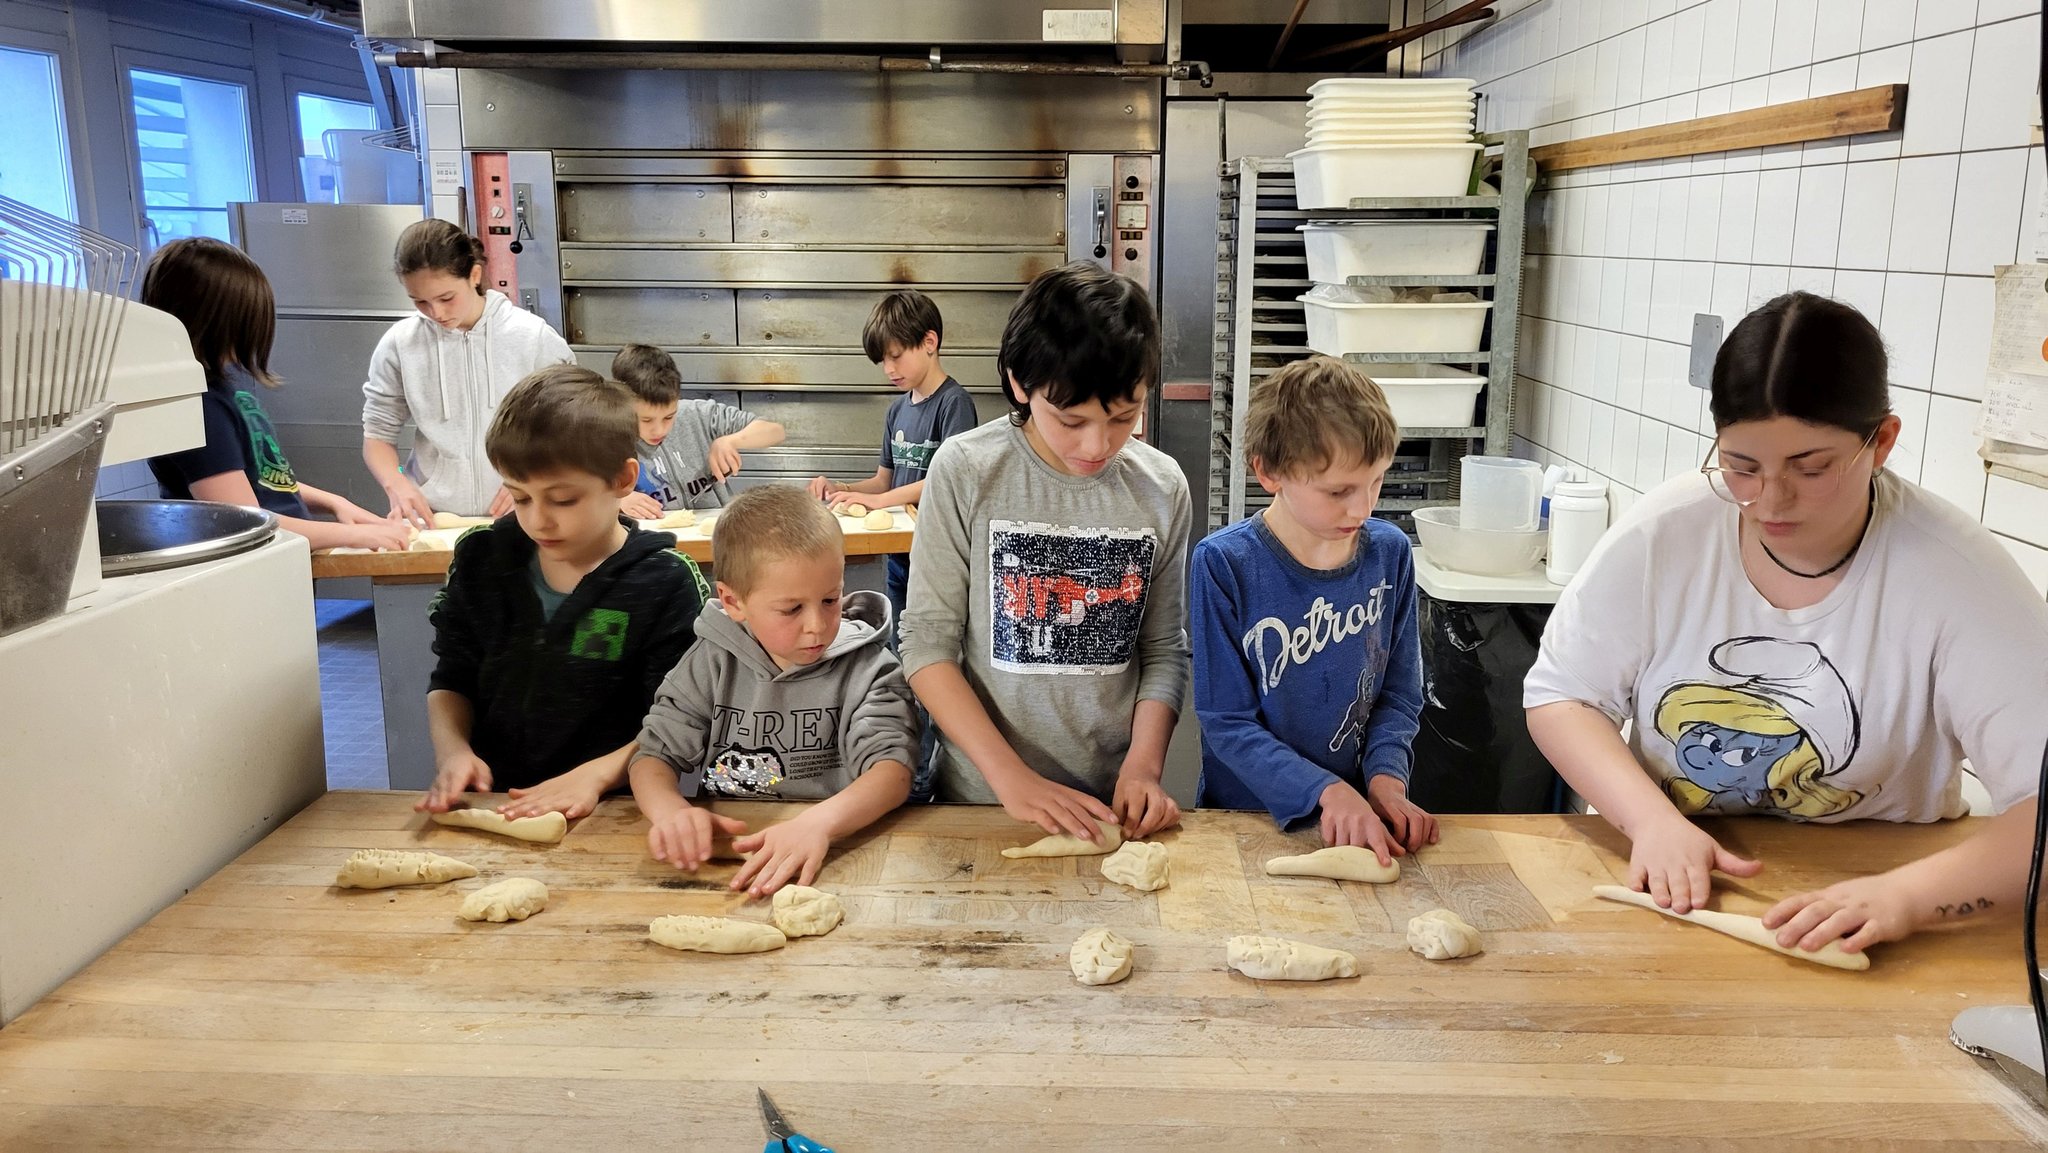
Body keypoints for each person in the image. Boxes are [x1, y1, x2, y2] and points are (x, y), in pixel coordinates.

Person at [1524, 292, 2048, 957]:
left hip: (1888, 883)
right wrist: (1650, 820)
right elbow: (1562, 695)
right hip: (1670, 882)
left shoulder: (1954, 575)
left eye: (1812, 467)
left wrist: (1907, 898)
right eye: (1742, 466)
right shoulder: (1666, 536)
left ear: (1881, 441)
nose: (1769, 499)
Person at [899, 261, 1190, 843]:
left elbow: (1164, 650)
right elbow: (927, 647)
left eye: (1123, 417)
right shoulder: (965, 471)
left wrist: (1144, 766)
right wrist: (1012, 779)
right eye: (1070, 419)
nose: (1097, 443)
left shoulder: (1161, 487)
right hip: (982, 802)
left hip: (1109, 807)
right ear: (1018, 384)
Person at [416, 365, 707, 820]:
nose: (538, 521)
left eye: (563, 499)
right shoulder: (482, 559)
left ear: (623, 480)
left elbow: (677, 715)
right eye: (520, 498)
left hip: (614, 809)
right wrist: (452, 752)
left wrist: (596, 776)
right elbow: (453, 677)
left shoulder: (664, 581)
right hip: (493, 803)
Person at [1191, 356, 1439, 865]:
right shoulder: (1224, 565)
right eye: (1338, 491)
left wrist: (1387, 782)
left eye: (1376, 481)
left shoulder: (1389, 555)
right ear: (1269, 471)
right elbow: (1227, 723)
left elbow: (1398, 694)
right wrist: (1327, 790)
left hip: (1354, 820)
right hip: (1242, 820)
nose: (1363, 508)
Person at [628, 485, 916, 896]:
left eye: (830, 599)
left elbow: (892, 772)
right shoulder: (712, 660)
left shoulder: (868, 668)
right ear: (733, 601)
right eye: (792, 609)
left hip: (836, 850)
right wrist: (670, 811)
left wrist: (818, 824)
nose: (816, 624)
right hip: (727, 857)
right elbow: (653, 756)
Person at [143, 237, 409, 553]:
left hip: (282, 566)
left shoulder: (222, 390)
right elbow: (248, 522)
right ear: (220, 322)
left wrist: (335, 503)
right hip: (247, 580)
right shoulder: (195, 407)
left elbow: (263, 480)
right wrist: (352, 535)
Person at [361, 219, 574, 525]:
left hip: (525, 511)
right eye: (420, 301)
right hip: (433, 517)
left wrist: (538, 477)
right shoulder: (400, 344)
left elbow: (573, 424)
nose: (436, 312)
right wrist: (397, 482)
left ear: (474, 275)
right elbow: (378, 436)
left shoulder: (532, 337)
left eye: (446, 298)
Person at [806, 290, 980, 625]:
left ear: (929, 342)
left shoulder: (953, 403)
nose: (888, 369)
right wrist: (840, 487)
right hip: (898, 556)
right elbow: (883, 479)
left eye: (896, 356)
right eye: (882, 362)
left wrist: (881, 502)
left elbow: (944, 481)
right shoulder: (897, 410)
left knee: (932, 643)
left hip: (938, 554)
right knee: (897, 642)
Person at [610, 343, 785, 518]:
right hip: (650, 540)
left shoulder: (698, 414)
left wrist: (731, 440)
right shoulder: (607, 432)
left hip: (715, 533)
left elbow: (775, 431)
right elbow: (586, 491)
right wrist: (617, 500)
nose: (659, 430)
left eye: (669, 417)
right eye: (646, 420)